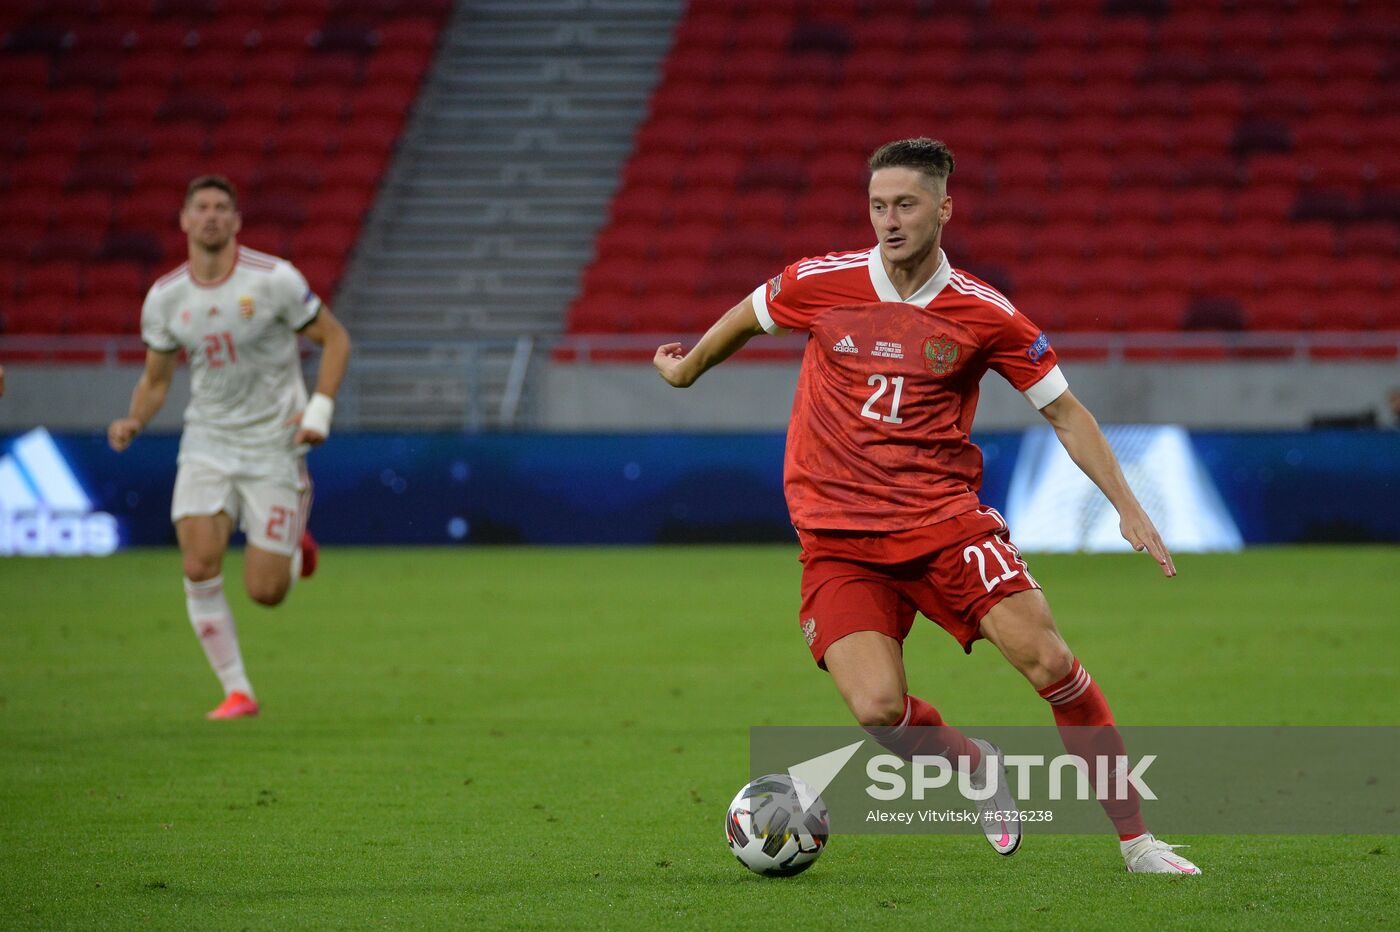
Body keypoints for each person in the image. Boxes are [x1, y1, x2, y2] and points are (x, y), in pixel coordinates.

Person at [654, 138, 1200, 874]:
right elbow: (752, 313)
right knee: (879, 711)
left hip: (942, 524)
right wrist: (687, 369)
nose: (889, 220)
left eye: (905, 204)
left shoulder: (985, 313)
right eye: (878, 205)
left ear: (944, 208)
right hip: (839, 539)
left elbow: (1067, 414)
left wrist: (1127, 506)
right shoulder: (823, 280)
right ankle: (974, 767)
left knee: (1050, 661)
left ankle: (1138, 843)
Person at [108, 175, 351, 720]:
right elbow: (155, 379)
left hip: (273, 444)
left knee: (265, 592)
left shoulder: (274, 280)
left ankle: (293, 550)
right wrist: (134, 420)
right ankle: (238, 691)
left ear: (237, 221)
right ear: (185, 220)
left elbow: (335, 339)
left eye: (222, 207)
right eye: (202, 207)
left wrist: (318, 410)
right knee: (198, 563)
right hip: (208, 441)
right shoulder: (167, 298)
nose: (212, 215)